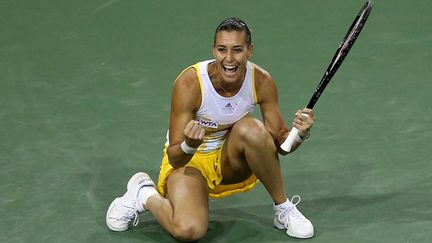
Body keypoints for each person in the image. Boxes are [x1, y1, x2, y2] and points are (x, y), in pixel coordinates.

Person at [106, 17, 315, 241]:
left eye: (237, 50)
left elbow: (280, 146)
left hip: (228, 159)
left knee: (253, 129)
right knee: (188, 231)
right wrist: (189, 145)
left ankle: (283, 209)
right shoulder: (190, 83)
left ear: (249, 51)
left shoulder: (261, 81)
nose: (229, 59)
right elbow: (175, 158)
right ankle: (144, 194)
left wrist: (300, 133)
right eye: (222, 49)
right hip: (189, 161)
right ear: (213, 50)